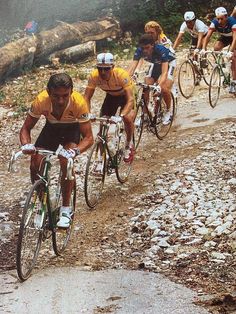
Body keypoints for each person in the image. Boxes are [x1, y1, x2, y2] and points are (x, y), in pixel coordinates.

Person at [20, 73, 94, 228]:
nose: (60, 101)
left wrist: (75, 151)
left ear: (71, 92)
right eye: (56, 96)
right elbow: (26, 128)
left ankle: (66, 209)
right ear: (48, 92)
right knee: (35, 163)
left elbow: (88, 138)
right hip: (51, 130)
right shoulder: (41, 100)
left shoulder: (79, 102)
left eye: (65, 96)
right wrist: (26, 144)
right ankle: (45, 206)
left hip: (71, 131)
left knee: (65, 160)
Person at [84, 52, 136, 163]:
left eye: (106, 69)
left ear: (112, 67)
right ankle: (100, 160)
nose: (103, 72)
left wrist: (121, 116)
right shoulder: (94, 76)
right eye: (100, 68)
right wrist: (87, 114)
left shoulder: (121, 75)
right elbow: (86, 97)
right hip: (111, 97)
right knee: (102, 127)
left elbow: (130, 99)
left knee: (127, 118)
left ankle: (128, 144)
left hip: (126, 97)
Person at [129, 34, 176, 125]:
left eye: (147, 48)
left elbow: (164, 72)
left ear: (153, 45)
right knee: (146, 86)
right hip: (155, 63)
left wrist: (159, 86)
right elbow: (132, 67)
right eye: (143, 48)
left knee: (164, 87)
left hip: (169, 63)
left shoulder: (161, 50)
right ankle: (145, 114)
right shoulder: (139, 51)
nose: (145, 51)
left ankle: (168, 111)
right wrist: (127, 80)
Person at [202, 7, 236, 93]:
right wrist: (203, 48)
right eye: (218, 19)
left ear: (226, 17)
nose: (219, 21)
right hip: (225, 37)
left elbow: (235, 38)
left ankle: (234, 82)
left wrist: (230, 51)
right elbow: (207, 37)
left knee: (233, 57)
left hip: (234, 38)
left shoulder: (232, 21)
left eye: (221, 19)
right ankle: (223, 67)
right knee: (216, 48)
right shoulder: (215, 22)